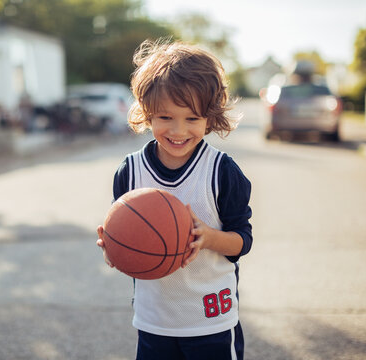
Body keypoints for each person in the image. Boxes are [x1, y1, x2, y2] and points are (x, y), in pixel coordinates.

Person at [96, 39, 253, 360]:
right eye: (165, 118)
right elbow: (128, 238)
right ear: (147, 113)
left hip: (211, 319)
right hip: (154, 320)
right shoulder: (130, 172)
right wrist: (115, 248)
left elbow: (242, 241)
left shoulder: (221, 171)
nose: (178, 130)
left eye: (192, 118)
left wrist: (208, 238)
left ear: (210, 118)